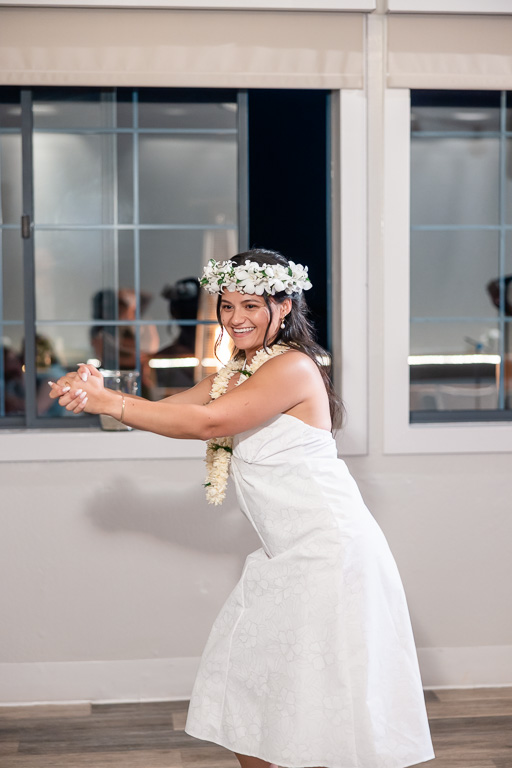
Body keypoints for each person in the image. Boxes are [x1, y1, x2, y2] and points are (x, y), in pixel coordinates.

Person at [48, 249, 435, 768]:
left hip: (328, 553)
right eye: (226, 306)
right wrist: (99, 393)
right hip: (287, 556)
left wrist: (110, 405)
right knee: (249, 689)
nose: (236, 318)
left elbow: (209, 424)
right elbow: (174, 411)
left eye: (250, 305)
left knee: (309, 701)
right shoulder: (242, 368)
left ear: (284, 304)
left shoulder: (293, 367)